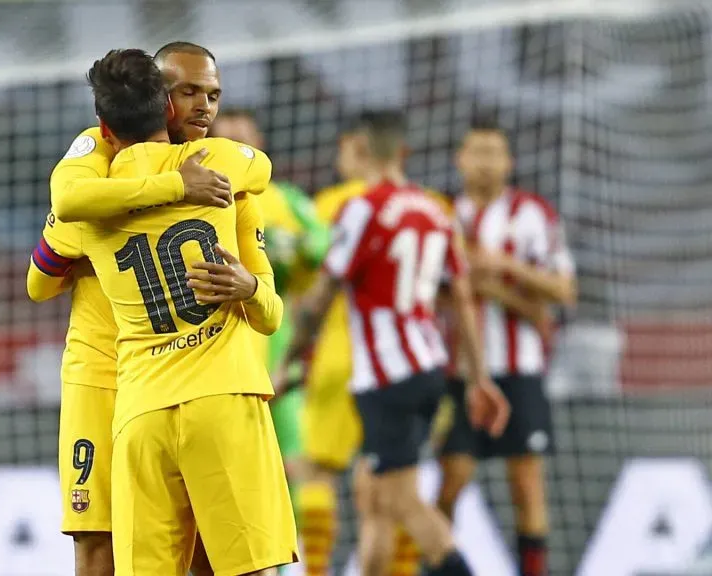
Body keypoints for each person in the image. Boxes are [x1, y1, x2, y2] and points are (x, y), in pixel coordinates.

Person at [35, 48, 297, 576]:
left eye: (214, 95)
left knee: (205, 550)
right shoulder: (97, 168)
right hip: (108, 379)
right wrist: (173, 188)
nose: (204, 107)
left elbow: (268, 309)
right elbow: (43, 270)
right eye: (189, 92)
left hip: (166, 389)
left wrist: (248, 288)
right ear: (161, 100)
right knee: (97, 548)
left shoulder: (226, 184)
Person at [276, 110, 509, 576]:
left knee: (401, 502)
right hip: (428, 369)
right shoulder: (434, 210)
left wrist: (290, 359)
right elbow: (461, 299)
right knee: (378, 497)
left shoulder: (358, 207)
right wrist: (480, 377)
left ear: (359, 150)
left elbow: (322, 294)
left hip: (383, 374)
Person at [436, 116, 576, 576]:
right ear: (460, 159)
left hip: (520, 369)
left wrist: (501, 267)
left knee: (526, 484)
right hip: (457, 370)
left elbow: (564, 291)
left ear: (510, 162)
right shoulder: (442, 215)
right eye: (476, 152)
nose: (484, 162)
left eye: (493, 153)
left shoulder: (532, 214)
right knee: (451, 482)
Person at [211, 107, 331, 507]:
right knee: (235, 475)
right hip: (223, 354)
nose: (236, 149)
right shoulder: (201, 206)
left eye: (243, 140)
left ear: (258, 145)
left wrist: (290, 246)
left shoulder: (287, 201)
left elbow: (324, 245)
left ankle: (289, 568)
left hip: (280, 345)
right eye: (226, 141)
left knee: (292, 465)